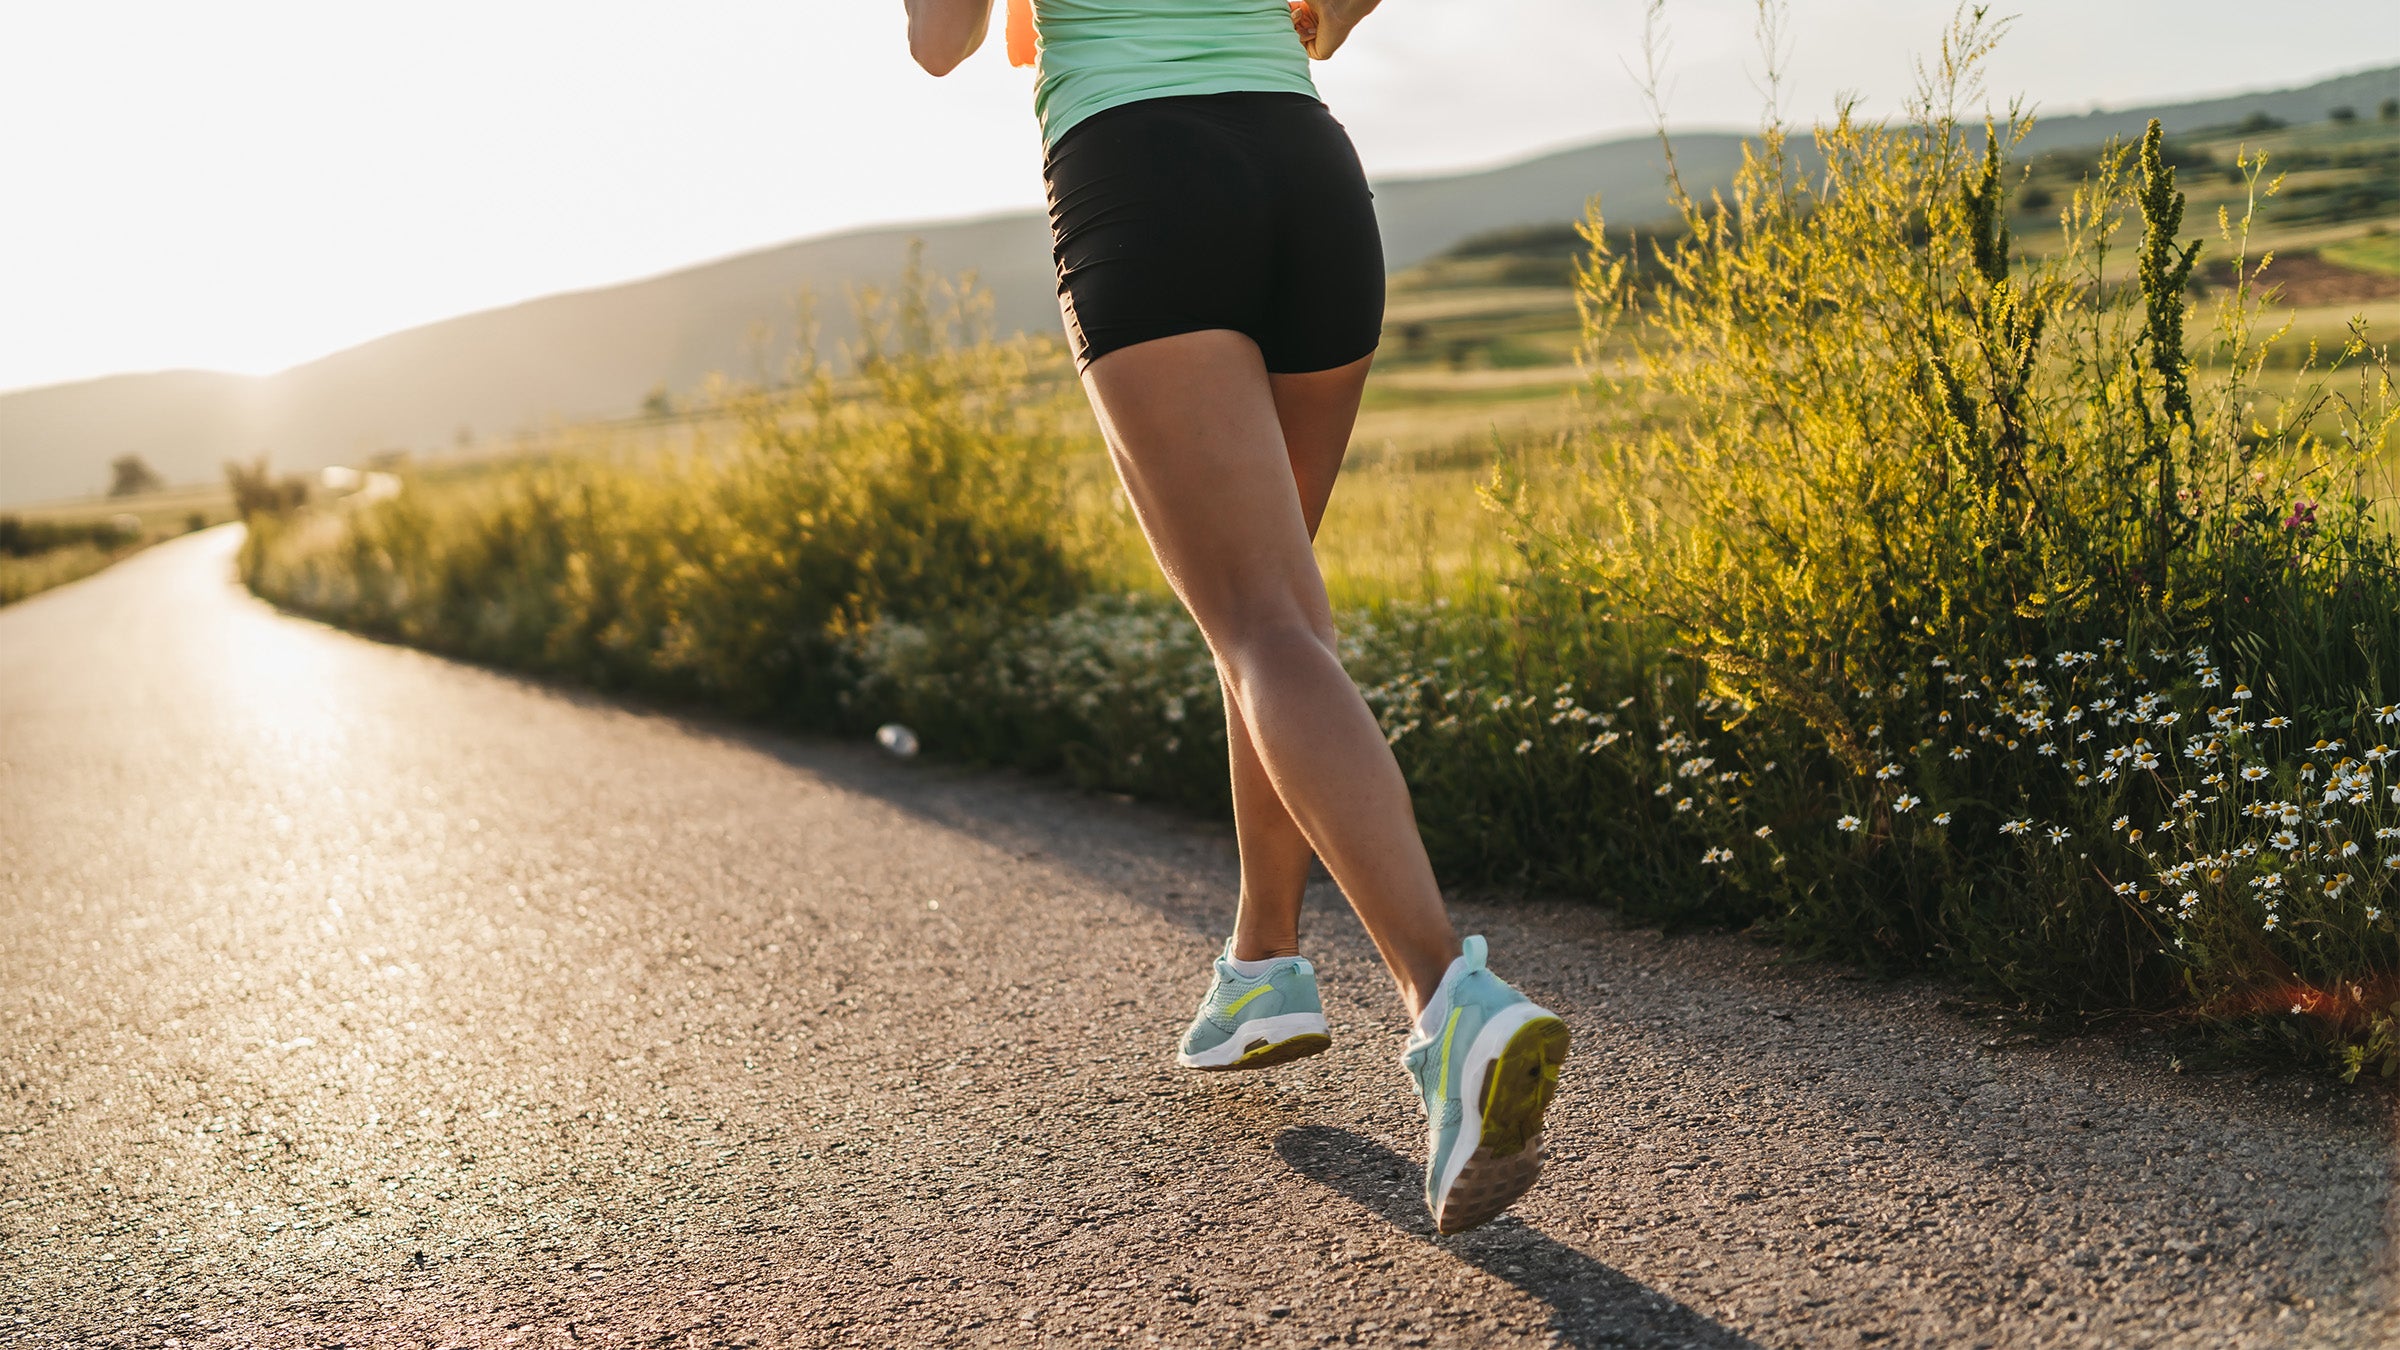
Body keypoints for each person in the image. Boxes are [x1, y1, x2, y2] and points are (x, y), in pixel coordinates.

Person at [902, 0, 1570, 1236]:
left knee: (1262, 622)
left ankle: (1451, 1008)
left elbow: (943, 41)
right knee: (1271, 616)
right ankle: (1262, 967)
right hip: (1302, 170)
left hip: (1143, 178)